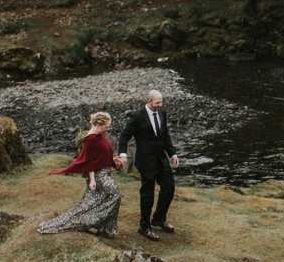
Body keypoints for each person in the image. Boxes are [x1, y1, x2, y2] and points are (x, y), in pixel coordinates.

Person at [36, 111, 125, 237]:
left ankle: (105, 229)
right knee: (114, 195)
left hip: (105, 172)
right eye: (106, 127)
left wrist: (114, 160)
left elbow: (101, 155)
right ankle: (92, 222)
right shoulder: (90, 140)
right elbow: (89, 162)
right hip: (99, 176)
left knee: (90, 204)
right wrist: (92, 180)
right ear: (98, 125)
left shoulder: (99, 135)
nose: (108, 129)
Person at [118, 89, 179, 240]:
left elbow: (165, 136)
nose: (160, 105)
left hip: (161, 159)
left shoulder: (162, 113)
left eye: (161, 102)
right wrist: (123, 154)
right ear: (149, 101)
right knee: (147, 194)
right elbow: (124, 136)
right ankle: (144, 227)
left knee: (169, 187)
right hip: (146, 161)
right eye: (157, 103)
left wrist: (172, 153)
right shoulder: (137, 116)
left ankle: (159, 219)